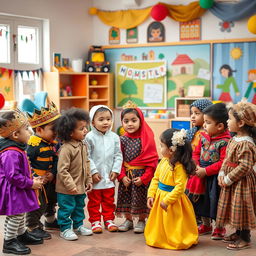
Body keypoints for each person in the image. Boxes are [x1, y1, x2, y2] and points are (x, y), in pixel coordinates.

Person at [144, 128, 198, 249]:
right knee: (160, 222)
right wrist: (151, 194)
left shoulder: (179, 167)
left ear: (172, 150)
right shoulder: (163, 161)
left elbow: (180, 187)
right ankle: (160, 237)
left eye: (162, 145)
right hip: (159, 197)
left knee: (173, 222)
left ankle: (175, 238)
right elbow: (156, 179)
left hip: (173, 201)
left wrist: (167, 200)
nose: (160, 148)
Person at [0, 110, 43, 255]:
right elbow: (12, 176)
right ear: (15, 135)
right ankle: (9, 241)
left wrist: (31, 179)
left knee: (20, 212)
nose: (30, 131)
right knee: (15, 214)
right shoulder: (10, 152)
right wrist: (31, 184)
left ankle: (20, 234)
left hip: (18, 187)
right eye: (26, 128)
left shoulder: (18, 148)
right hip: (12, 189)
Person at [186, 103, 231, 239]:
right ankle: (206, 225)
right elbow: (196, 153)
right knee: (201, 202)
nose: (204, 125)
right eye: (204, 122)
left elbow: (224, 162)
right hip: (200, 174)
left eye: (207, 122)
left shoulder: (225, 141)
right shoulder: (203, 136)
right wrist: (196, 166)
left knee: (215, 202)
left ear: (220, 126)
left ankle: (219, 227)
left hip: (215, 178)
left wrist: (206, 171)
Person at [216, 101, 256, 250]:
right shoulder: (234, 139)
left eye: (229, 119)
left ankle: (245, 238)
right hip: (232, 180)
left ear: (240, 123)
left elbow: (245, 166)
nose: (227, 121)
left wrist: (228, 178)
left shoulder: (246, 143)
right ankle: (238, 233)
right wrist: (221, 172)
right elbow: (226, 158)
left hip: (241, 182)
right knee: (235, 208)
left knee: (242, 208)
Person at [116, 101, 158, 233]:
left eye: (133, 120)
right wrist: (122, 176)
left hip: (141, 177)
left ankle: (141, 220)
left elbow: (152, 162)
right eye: (126, 121)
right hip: (127, 177)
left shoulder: (146, 138)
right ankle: (128, 220)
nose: (129, 124)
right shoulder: (121, 139)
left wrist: (145, 178)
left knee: (140, 198)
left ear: (141, 121)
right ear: (122, 122)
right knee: (126, 197)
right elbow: (119, 160)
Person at [56, 108, 93, 241]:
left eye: (86, 127)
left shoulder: (83, 144)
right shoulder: (66, 149)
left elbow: (87, 162)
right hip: (66, 189)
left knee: (79, 207)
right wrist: (71, 185)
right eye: (81, 128)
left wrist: (88, 180)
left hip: (80, 186)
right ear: (70, 132)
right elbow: (62, 170)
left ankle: (78, 225)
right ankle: (65, 228)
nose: (85, 130)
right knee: (66, 208)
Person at [25, 102, 61, 240]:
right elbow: (26, 163)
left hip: (49, 180)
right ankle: (33, 226)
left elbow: (55, 160)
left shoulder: (51, 143)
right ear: (39, 130)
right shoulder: (33, 145)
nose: (56, 133)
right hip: (37, 182)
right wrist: (35, 177)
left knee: (51, 201)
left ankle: (50, 221)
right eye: (54, 129)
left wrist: (52, 173)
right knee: (38, 204)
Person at [85, 105, 122, 233]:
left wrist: (116, 170)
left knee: (109, 200)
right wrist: (93, 172)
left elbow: (118, 155)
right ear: (92, 122)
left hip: (109, 177)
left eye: (108, 119)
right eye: (101, 119)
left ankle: (109, 220)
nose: (105, 122)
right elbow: (87, 157)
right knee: (94, 201)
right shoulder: (89, 137)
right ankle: (95, 221)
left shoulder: (115, 137)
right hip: (96, 177)